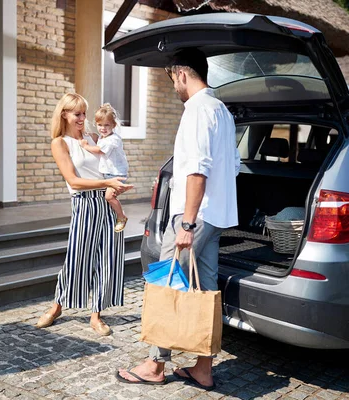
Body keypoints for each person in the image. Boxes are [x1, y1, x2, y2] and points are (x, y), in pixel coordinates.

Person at [116, 48, 240, 389]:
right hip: (215, 216)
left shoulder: (198, 110)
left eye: (173, 79)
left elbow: (197, 171)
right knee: (207, 290)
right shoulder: (222, 111)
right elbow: (234, 166)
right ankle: (203, 368)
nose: (174, 86)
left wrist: (186, 224)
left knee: (166, 281)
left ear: (182, 74)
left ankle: (155, 365)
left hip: (194, 217)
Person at [36, 93, 133, 336]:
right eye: (77, 114)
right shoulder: (59, 143)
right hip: (84, 204)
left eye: (84, 113)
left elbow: (111, 164)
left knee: (108, 259)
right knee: (77, 258)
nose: (82, 118)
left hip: (106, 203)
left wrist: (115, 183)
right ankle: (58, 306)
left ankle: (96, 315)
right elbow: (74, 181)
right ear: (64, 115)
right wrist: (106, 182)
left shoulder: (94, 137)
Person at [79, 103, 129, 232]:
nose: (103, 128)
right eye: (100, 125)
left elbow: (98, 150)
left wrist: (85, 146)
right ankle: (114, 215)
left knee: (109, 197)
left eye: (107, 125)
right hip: (108, 173)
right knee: (109, 197)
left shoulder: (113, 140)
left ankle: (121, 217)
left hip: (116, 174)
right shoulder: (103, 137)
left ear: (113, 125)